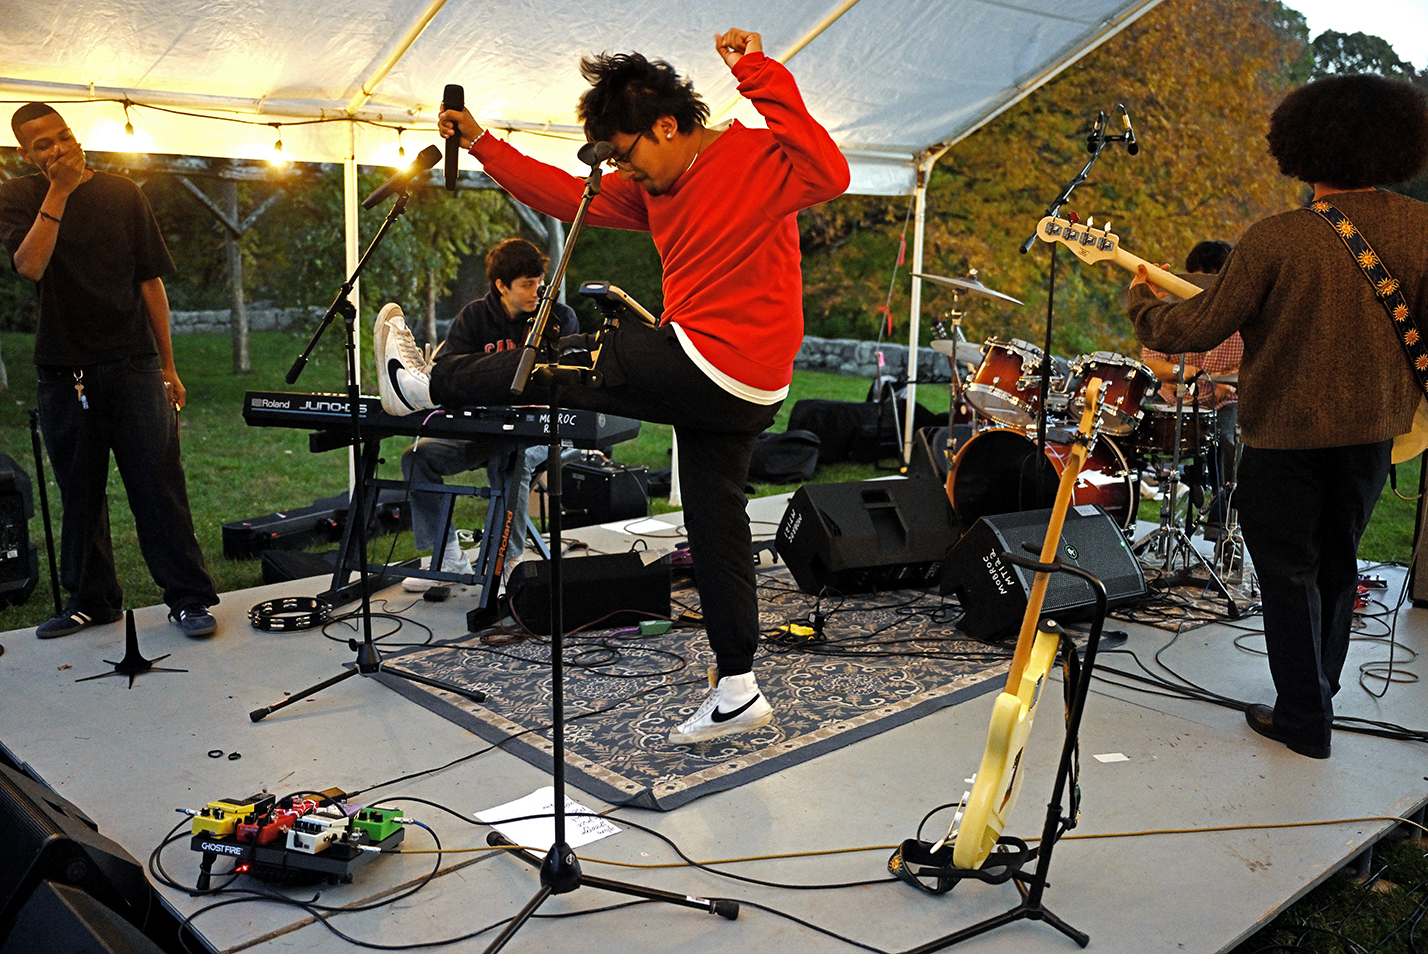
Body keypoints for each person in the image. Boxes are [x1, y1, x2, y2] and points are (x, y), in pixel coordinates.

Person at [380, 28, 848, 744]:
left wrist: (755, 71)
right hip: (741, 386)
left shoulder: (757, 157)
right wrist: (480, 143)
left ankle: (425, 385)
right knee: (714, 524)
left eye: (628, 154)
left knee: (563, 357)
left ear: (668, 124)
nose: (627, 171)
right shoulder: (655, 187)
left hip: (718, 359)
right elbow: (567, 194)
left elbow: (832, 171)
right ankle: (739, 687)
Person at [1127, 74, 1428, 759]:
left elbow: (1197, 328)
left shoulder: (1276, 238)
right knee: (1338, 563)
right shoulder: (1423, 229)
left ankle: (1303, 717)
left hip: (1285, 435)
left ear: (1300, 145)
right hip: (1373, 432)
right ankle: (1318, 690)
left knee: (1288, 573)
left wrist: (1141, 300)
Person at [0, 103, 220, 638]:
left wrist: (168, 365)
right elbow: (29, 265)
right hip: (64, 367)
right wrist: (60, 191)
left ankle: (188, 598)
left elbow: (151, 281)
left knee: (158, 484)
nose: (58, 149)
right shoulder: (19, 196)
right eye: (43, 145)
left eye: (63, 136)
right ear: (27, 155)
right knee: (80, 491)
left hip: (133, 363)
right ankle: (93, 599)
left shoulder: (123, 192)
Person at [376, 238, 577, 592]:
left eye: (539, 282)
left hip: (541, 433)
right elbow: (448, 370)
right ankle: (447, 554)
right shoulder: (473, 317)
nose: (537, 292)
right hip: (482, 429)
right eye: (527, 285)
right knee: (417, 457)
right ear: (501, 286)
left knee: (510, 459)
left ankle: (508, 561)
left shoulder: (558, 317)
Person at [1139, 240, 1242, 539]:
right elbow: (1151, 363)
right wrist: (1185, 373)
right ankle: (1126, 508)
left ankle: (1220, 527)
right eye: (1196, 279)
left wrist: (1224, 382)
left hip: (1226, 402)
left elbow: (1258, 366)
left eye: (1211, 279)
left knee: (1226, 439)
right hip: (1174, 400)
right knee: (1126, 429)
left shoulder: (1245, 315)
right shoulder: (1173, 311)